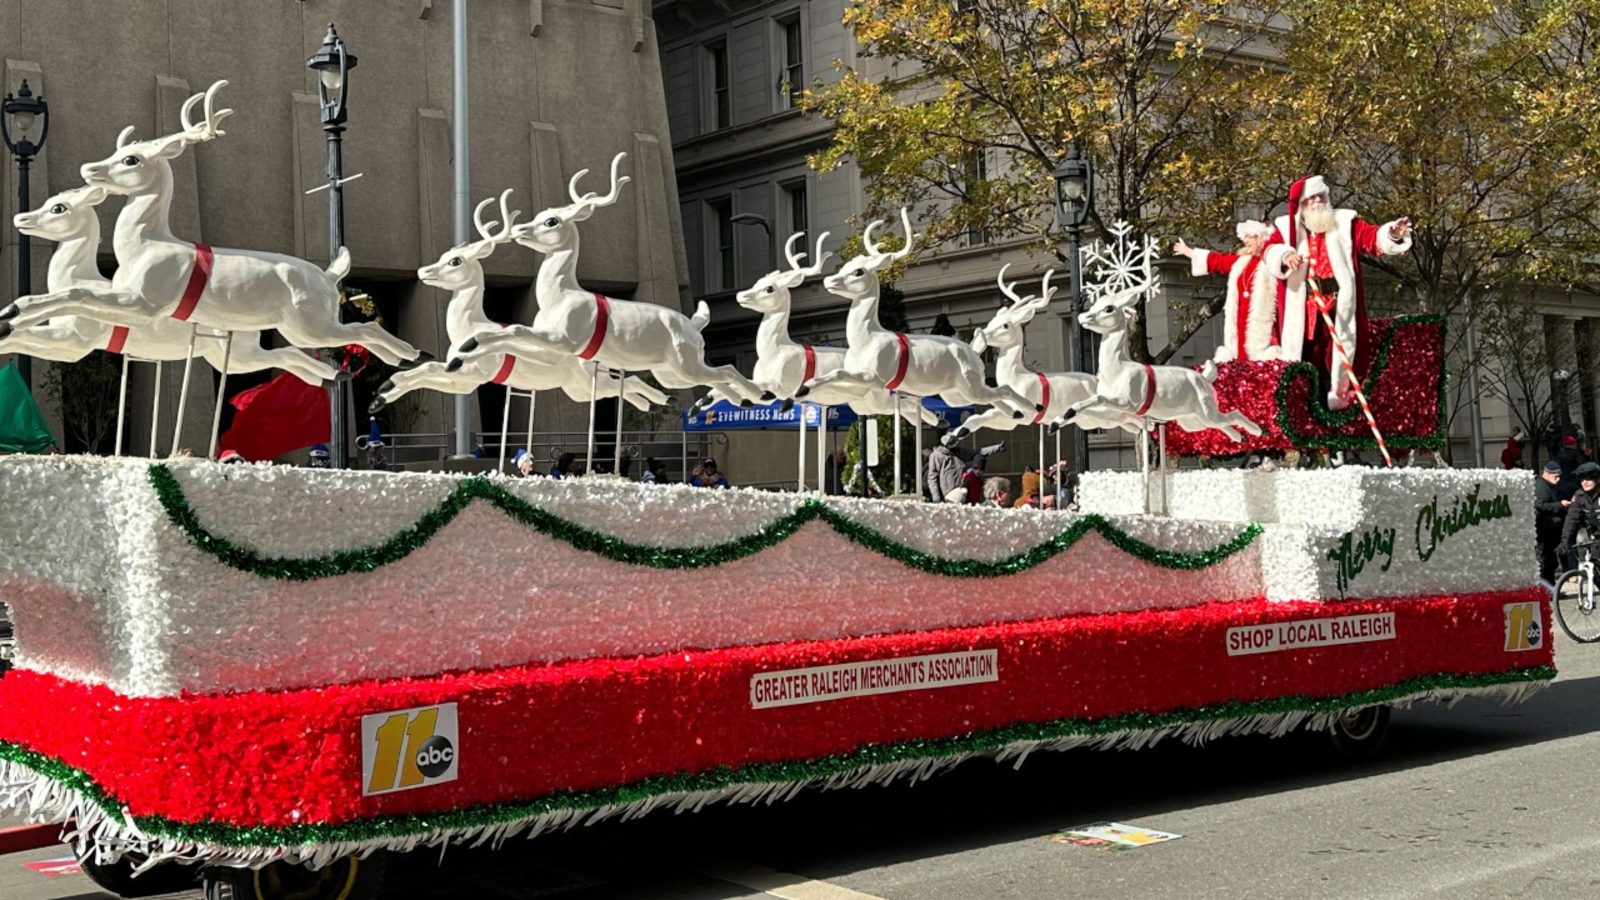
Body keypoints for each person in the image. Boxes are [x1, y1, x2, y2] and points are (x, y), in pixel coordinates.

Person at [1273, 176, 1413, 409]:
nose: (1317, 201)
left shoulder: (1345, 222)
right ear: (1302, 204)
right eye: (1311, 198)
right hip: (1306, 309)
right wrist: (1286, 256)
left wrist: (1393, 234)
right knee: (1307, 361)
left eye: (1321, 196)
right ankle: (1307, 415)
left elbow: (1371, 238)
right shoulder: (1287, 228)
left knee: (1339, 360)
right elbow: (1271, 251)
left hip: (1338, 305)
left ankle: (1337, 409)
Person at [1173, 220, 1292, 363]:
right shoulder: (1242, 261)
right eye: (1245, 237)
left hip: (1263, 325)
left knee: (1262, 360)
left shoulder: (1271, 263)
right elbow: (1219, 261)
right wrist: (1189, 252)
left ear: (1261, 238)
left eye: (1250, 237)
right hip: (1239, 321)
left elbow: (1284, 257)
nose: (1245, 241)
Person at [1560, 461, 1600, 572]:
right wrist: (1565, 540)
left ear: (1598, 479)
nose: (1584, 483)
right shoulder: (1580, 495)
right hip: (1595, 537)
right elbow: (1571, 518)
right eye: (1582, 480)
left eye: (1588, 479)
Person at [1536, 461, 1569, 584]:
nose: (1558, 479)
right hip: (1545, 531)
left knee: (1551, 562)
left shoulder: (1549, 486)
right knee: (1546, 563)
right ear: (1547, 473)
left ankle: (1550, 588)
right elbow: (1540, 505)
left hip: (1551, 531)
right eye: (1556, 476)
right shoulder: (1541, 486)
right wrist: (1560, 505)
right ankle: (1547, 589)